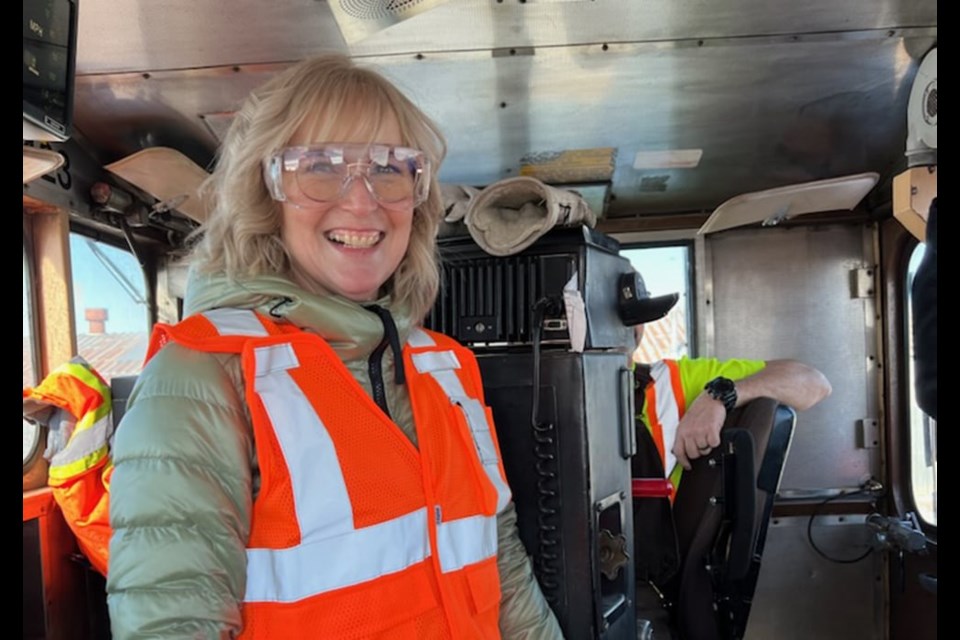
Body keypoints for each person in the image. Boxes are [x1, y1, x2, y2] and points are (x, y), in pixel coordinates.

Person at [107, 54, 563, 639]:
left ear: (416, 198)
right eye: (319, 165)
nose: (362, 200)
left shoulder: (448, 367)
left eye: (390, 168)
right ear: (265, 192)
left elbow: (501, 563)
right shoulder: (202, 378)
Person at [628, 277, 832, 488]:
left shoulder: (677, 379)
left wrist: (722, 396)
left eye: (637, 315)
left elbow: (815, 383)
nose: (631, 327)